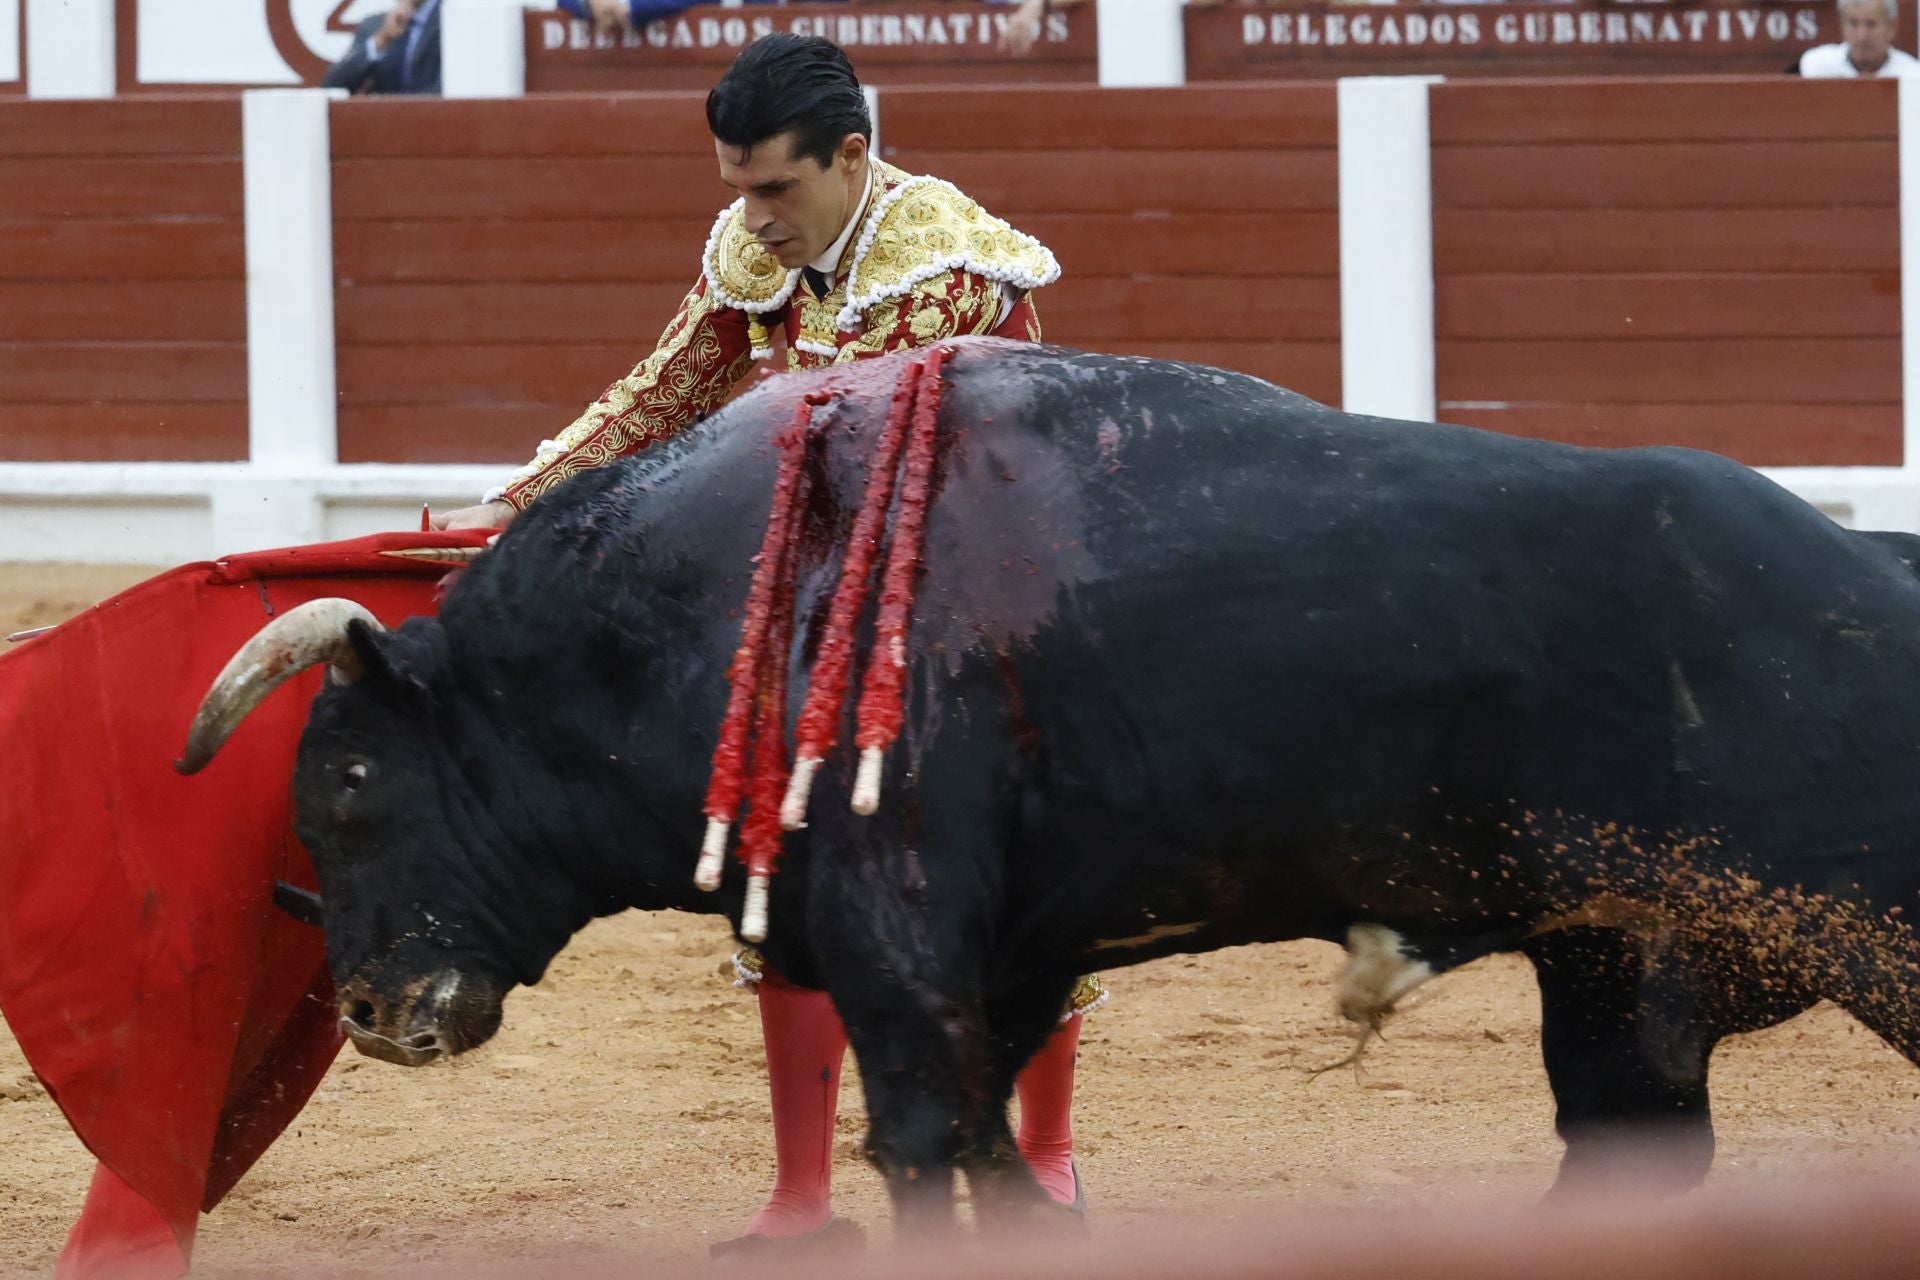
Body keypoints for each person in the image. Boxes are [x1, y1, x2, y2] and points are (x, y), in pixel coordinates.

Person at [433, 33, 1098, 1255]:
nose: (754, 216)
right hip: (820, 597)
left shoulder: (941, 265)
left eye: (777, 188)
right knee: (781, 868)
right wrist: (514, 506)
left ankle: (1045, 1159)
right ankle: (801, 1200)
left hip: (984, 601)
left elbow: (839, 449)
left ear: (852, 157)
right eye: (737, 186)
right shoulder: (760, 246)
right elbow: (663, 395)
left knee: (1013, 884)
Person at [323, 0, 443, 96]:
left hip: (437, 115)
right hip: (383, 116)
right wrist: (380, 40)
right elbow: (333, 85)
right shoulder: (374, 25)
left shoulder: (449, 21)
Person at [1797, 0, 1920, 77]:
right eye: (1853, 24)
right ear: (1841, 25)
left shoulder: (1912, 75)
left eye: (1871, 24)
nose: (1862, 36)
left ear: (1892, 27)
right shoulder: (1818, 66)